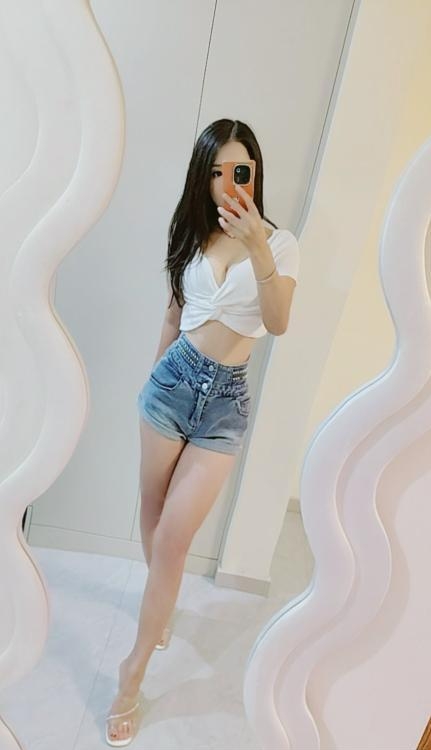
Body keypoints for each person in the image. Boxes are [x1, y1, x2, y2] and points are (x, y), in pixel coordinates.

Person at [105, 118, 300, 745]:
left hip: (224, 406)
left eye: (239, 171)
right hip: (170, 384)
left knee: (173, 539)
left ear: (256, 173)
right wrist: (152, 379)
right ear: (202, 176)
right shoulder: (191, 232)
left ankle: (133, 671)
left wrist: (259, 249)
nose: (226, 184)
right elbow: (174, 314)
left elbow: (279, 322)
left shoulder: (281, 245)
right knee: (152, 509)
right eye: (215, 172)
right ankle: (158, 611)